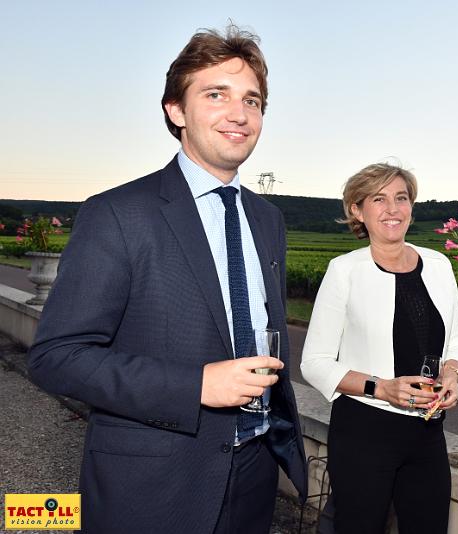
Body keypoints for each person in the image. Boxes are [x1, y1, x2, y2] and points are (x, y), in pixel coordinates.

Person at [27, 24, 306, 534]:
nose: (239, 114)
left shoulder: (268, 220)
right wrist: (195, 385)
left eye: (253, 100)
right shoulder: (117, 214)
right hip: (155, 486)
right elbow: (56, 357)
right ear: (176, 111)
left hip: (256, 472)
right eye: (215, 94)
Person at [300, 163, 458, 533]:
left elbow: (455, 337)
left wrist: (452, 374)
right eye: (379, 199)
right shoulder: (344, 271)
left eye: (401, 198)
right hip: (365, 432)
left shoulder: (439, 265)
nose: (392, 209)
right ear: (358, 210)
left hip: (427, 433)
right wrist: (382, 387)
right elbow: (313, 362)